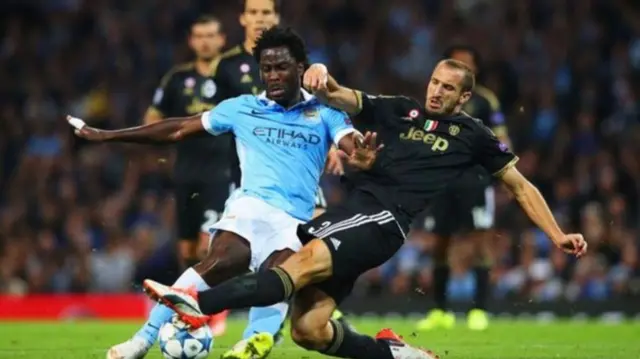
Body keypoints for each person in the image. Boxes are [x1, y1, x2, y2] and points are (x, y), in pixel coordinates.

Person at [141, 59, 588, 359]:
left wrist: (556, 235)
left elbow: (521, 186)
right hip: (358, 212)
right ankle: (395, 354)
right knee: (310, 330)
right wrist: (318, 72)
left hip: (383, 218)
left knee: (297, 265)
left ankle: (198, 303)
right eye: (434, 82)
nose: (436, 92)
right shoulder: (400, 111)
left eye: (448, 88)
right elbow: (340, 95)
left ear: (464, 97)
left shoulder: (474, 136)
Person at [69, 26, 368, 359]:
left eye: (281, 67)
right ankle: (142, 339)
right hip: (250, 207)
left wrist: (359, 151)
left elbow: (350, 142)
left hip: (293, 221)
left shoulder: (325, 113)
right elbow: (178, 127)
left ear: (300, 68)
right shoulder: (241, 108)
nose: (273, 76)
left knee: (278, 280)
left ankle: (252, 345)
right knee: (221, 261)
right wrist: (110, 136)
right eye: (266, 69)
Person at [416, 45, 512, 331]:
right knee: (440, 244)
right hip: (443, 180)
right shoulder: (434, 100)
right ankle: (439, 310)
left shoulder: (484, 101)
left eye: (467, 64)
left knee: (481, 242)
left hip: (475, 180)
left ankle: (479, 309)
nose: (462, 68)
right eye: (456, 62)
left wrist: (507, 173)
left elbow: (502, 137)